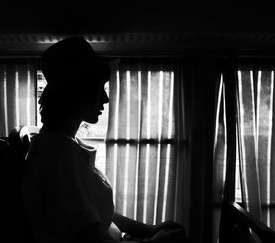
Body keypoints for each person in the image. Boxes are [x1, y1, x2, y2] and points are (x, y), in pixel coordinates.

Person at [22, 37, 188, 243]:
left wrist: (149, 230)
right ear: (76, 92)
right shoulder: (58, 156)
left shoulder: (64, 144)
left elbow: (97, 213)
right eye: (99, 88)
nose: (106, 98)